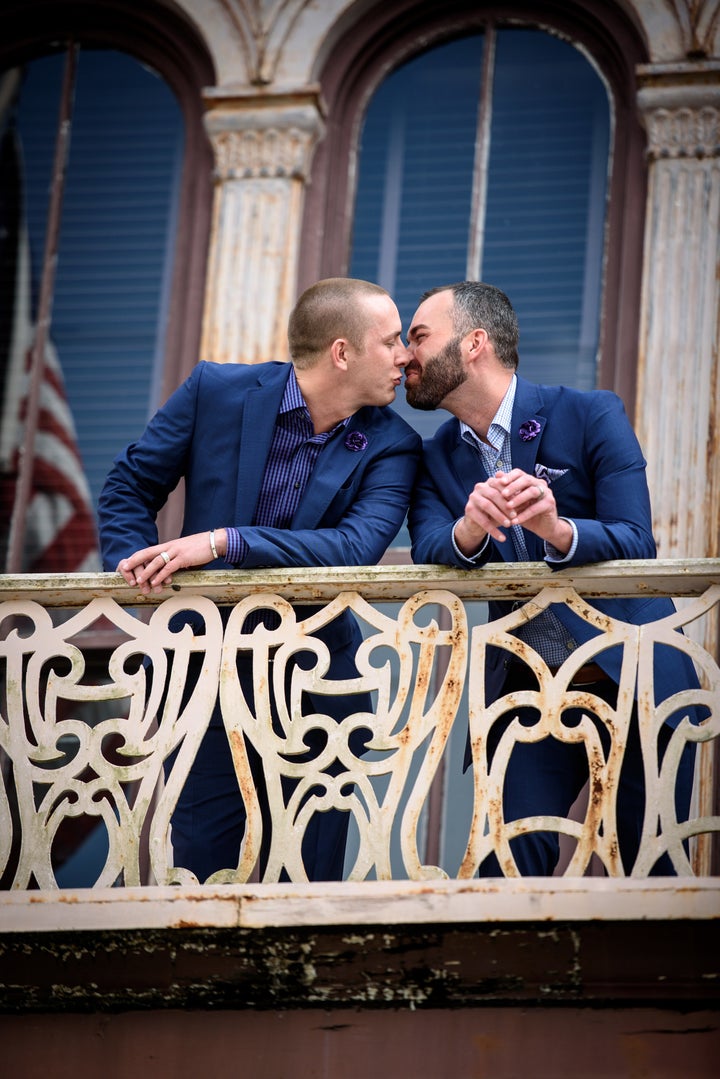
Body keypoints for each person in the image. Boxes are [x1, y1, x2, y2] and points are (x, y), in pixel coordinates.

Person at [98, 277, 421, 883]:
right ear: (342, 352)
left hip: (321, 688)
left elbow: (353, 549)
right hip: (202, 675)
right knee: (200, 876)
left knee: (307, 883)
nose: (405, 356)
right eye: (392, 340)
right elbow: (128, 487)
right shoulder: (215, 391)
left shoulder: (395, 444)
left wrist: (226, 541)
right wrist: (134, 578)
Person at [404, 280, 699, 877]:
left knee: (653, 868)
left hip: (634, 672)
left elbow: (636, 539)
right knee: (504, 860)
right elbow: (430, 544)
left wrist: (556, 528)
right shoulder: (433, 456)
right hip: (528, 690)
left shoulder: (590, 413)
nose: (405, 356)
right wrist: (469, 529)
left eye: (418, 337)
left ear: (473, 344)